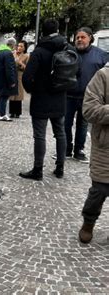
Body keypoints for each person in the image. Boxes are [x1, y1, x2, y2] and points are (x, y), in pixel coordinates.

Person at [19, 19, 68, 181]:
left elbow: (26, 77)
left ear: (42, 32)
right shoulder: (67, 47)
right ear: (58, 29)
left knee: (39, 136)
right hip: (59, 97)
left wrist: (33, 90)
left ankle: (38, 170)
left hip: (41, 98)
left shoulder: (39, 50)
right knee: (60, 133)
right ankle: (60, 168)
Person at [64, 27, 108, 163]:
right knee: (66, 124)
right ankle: (66, 150)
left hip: (88, 98)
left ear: (90, 38)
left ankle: (79, 150)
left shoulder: (101, 55)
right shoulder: (68, 53)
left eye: (83, 37)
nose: (79, 40)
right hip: (68, 95)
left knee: (82, 125)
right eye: (77, 37)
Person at [78, 62, 109, 243]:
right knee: (99, 191)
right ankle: (88, 223)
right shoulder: (103, 75)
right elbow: (89, 110)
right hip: (106, 147)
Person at [0, 37, 18, 121]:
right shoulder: (8, 53)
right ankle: (2, 114)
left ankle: (1, 113)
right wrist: (12, 81)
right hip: (5, 80)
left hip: (0, 78)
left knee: (2, 97)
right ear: (12, 45)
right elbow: (9, 68)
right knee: (4, 97)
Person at [9, 41, 29, 118]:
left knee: (19, 94)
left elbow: (27, 68)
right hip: (12, 76)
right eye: (18, 46)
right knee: (12, 94)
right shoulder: (12, 54)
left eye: (21, 46)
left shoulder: (26, 56)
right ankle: (11, 112)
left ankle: (17, 112)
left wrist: (20, 63)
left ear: (24, 48)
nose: (19, 48)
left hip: (20, 76)